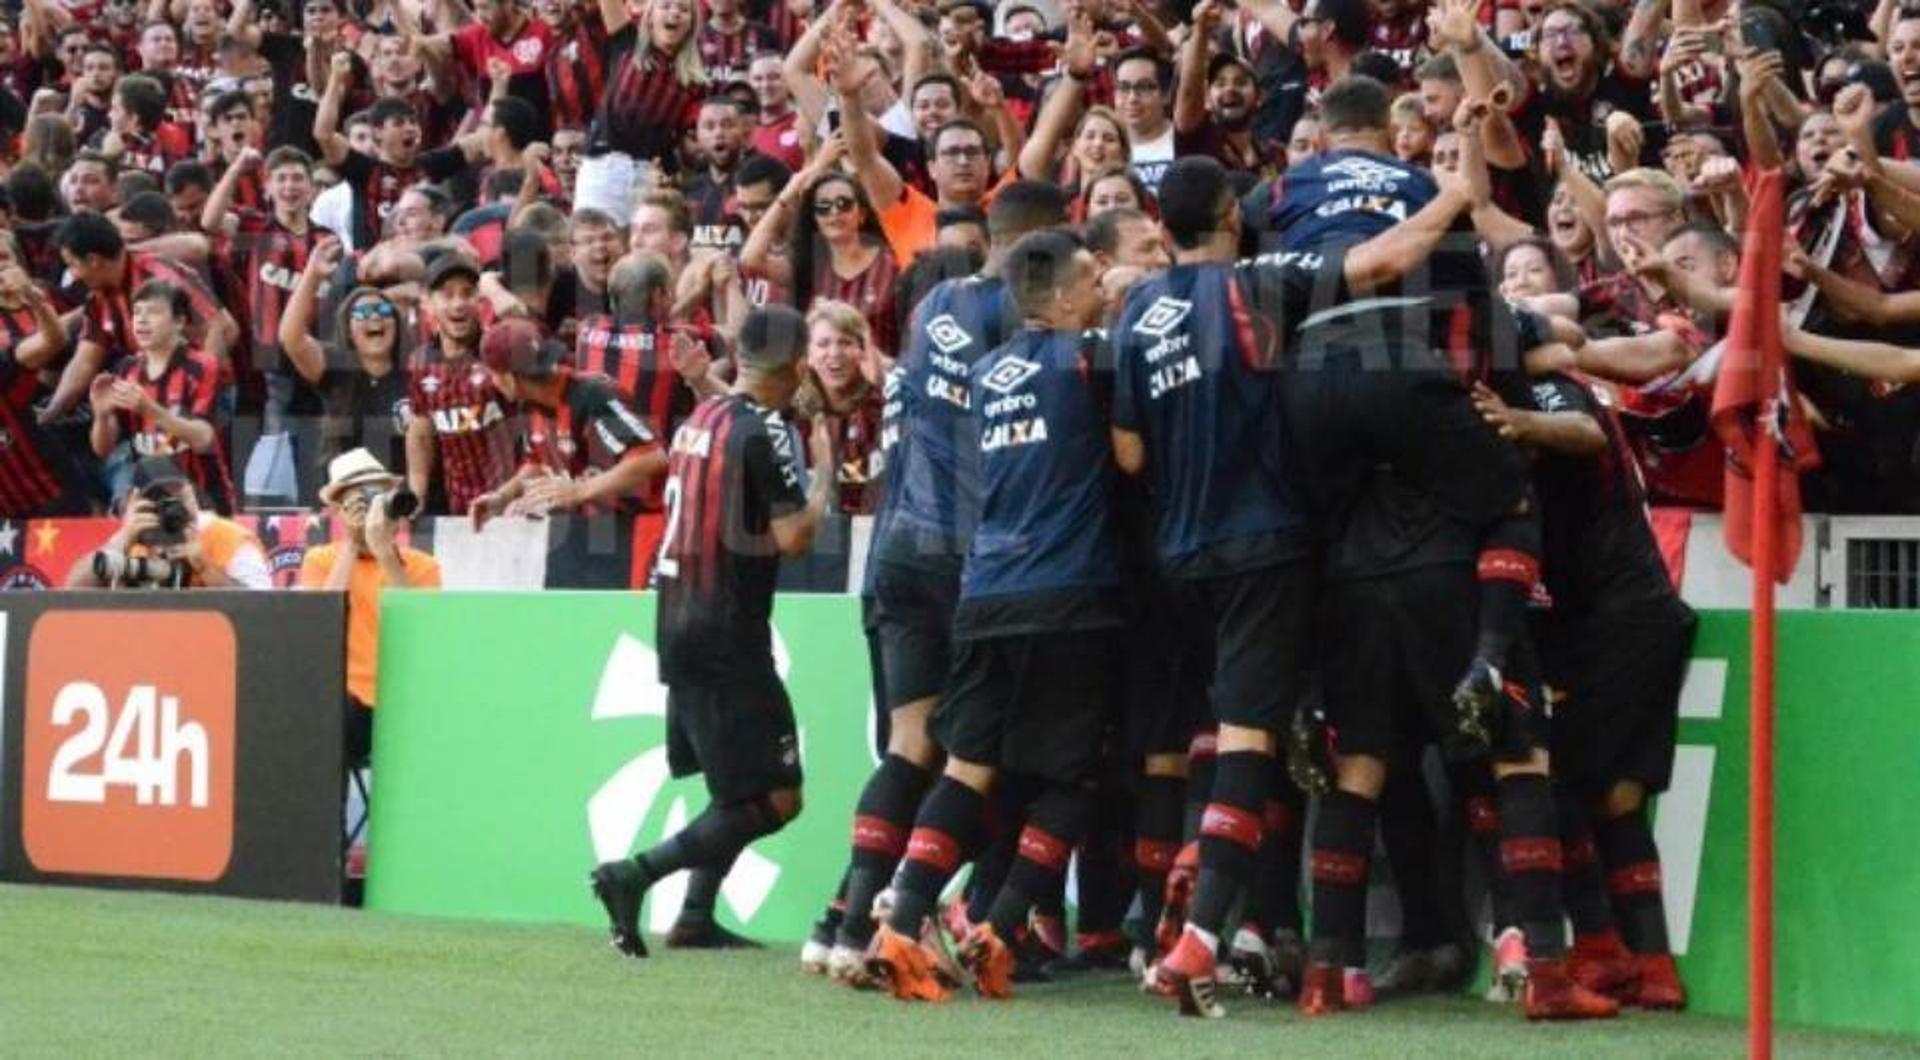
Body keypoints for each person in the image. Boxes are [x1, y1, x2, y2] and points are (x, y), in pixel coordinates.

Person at [803, 180, 1068, 982]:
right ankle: (962, 919)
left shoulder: (937, 304)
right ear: (1040, 246)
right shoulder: (1016, 320)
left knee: (909, 745)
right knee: (993, 759)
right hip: (968, 558)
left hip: (895, 551)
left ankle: (845, 927)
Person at [865, 226, 1121, 1001]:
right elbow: (1134, 452)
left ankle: (900, 921)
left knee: (969, 764)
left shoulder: (983, 373)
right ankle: (998, 927)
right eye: (1095, 279)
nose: (1106, 286)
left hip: (985, 591)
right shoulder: (1092, 360)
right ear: (1067, 295)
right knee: (1074, 777)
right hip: (1069, 593)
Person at [589, 304, 835, 957]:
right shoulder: (764, 433)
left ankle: (695, 916)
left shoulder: (704, 416)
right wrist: (825, 473)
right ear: (799, 363)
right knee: (779, 797)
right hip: (728, 632)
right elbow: (795, 538)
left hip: (676, 621)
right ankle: (631, 876)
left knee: (731, 788)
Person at [299, 448, 442, 764]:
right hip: (341, 701)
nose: (375, 511)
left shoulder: (422, 567)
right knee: (324, 712)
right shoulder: (321, 560)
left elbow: (419, 632)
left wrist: (385, 553)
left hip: (401, 699)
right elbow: (318, 624)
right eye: (362, 501)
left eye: (382, 498)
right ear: (339, 509)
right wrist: (353, 542)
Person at [468, 316, 668, 523]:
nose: (493, 382)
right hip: (597, 529)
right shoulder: (529, 404)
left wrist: (578, 491)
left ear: (509, 379)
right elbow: (537, 462)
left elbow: (653, 459)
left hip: (644, 526)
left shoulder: (592, 395)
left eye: (493, 374)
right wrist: (501, 497)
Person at [87, 279, 235, 513]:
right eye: (137, 312)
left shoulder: (202, 366)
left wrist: (151, 410)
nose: (142, 320)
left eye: (153, 312)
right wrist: (102, 415)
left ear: (179, 321)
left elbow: (204, 439)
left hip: (205, 497)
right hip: (151, 498)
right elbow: (103, 449)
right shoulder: (126, 369)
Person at [68, 455, 270, 588]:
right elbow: (70, 595)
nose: (171, 508)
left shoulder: (228, 538)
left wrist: (206, 568)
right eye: (160, 500)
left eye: (178, 495)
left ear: (191, 491)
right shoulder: (135, 537)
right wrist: (122, 539)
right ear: (137, 502)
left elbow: (266, 610)